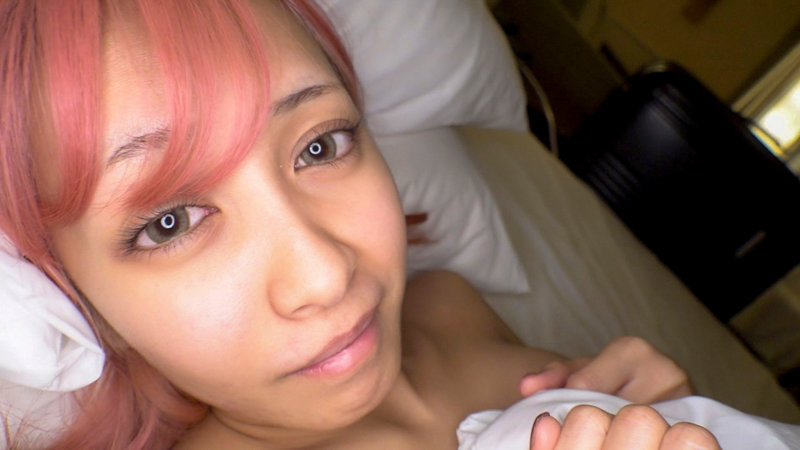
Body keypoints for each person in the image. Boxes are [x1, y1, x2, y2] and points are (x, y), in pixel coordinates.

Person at [1, 1, 716, 448]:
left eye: (320, 146)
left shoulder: (451, 305)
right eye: (168, 223)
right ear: (77, 300)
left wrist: (682, 418)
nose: (326, 275)